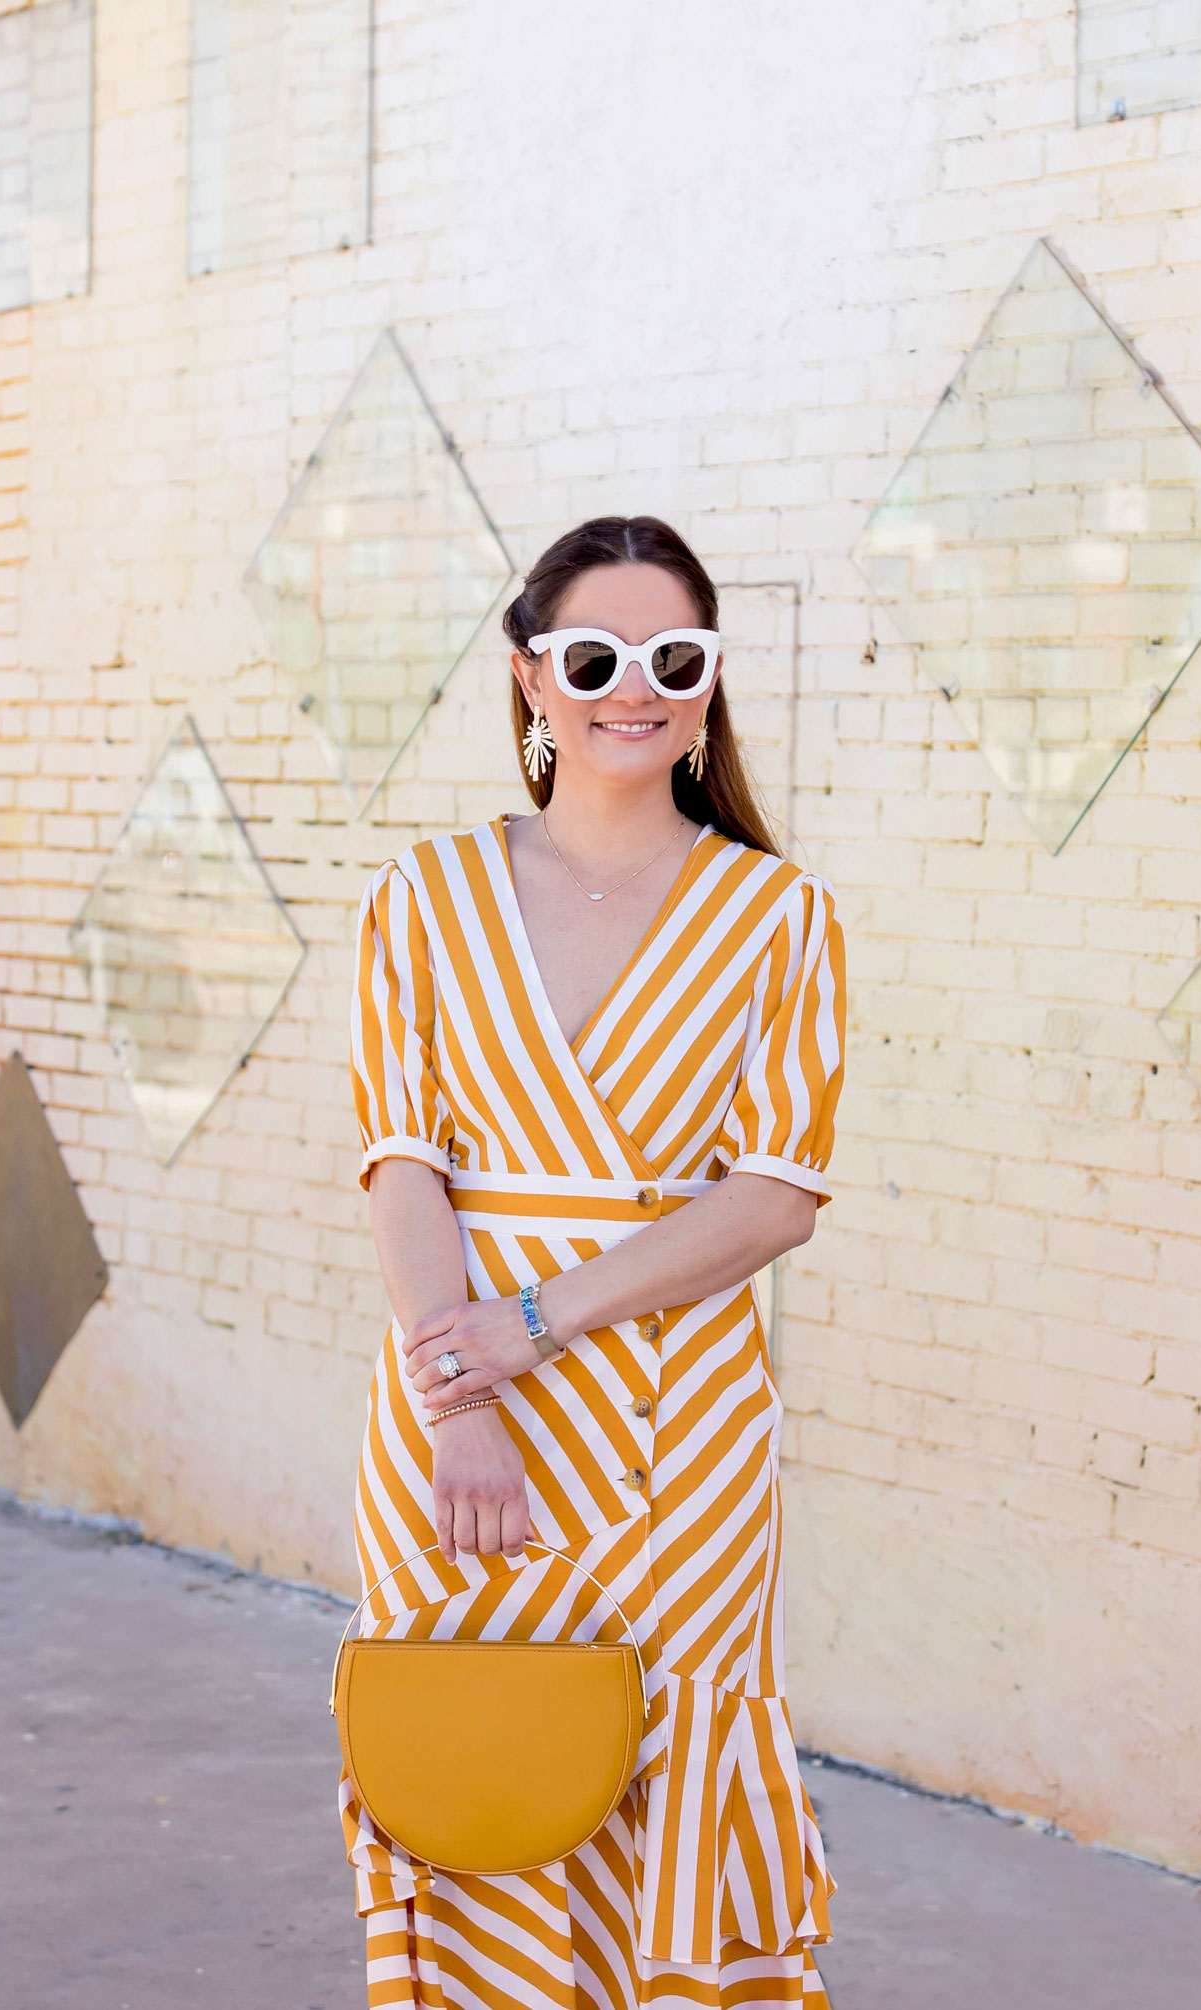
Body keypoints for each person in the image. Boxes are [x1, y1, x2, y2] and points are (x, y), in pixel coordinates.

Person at [344, 515, 847, 2008]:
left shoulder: (782, 916)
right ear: (531, 677)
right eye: (596, 655)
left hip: (677, 1428)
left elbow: (773, 1199)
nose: (639, 687)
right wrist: (468, 1393)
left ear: (708, 682)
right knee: (469, 1751)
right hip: (458, 1415)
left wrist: (534, 1322)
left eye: (677, 657)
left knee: (676, 1747)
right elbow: (401, 1166)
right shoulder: (421, 898)